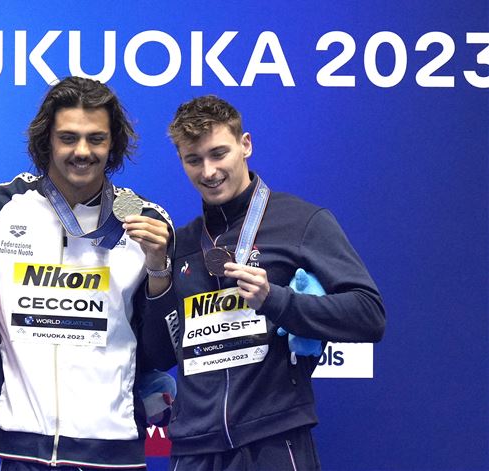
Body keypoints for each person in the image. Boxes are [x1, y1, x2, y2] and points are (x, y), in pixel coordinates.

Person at [142, 95, 386, 471]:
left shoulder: (301, 222)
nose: (208, 171)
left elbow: (369, 315)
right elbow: (159, 355)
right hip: (194, 447)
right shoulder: (183, 242)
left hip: (272, 440)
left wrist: (276, 299)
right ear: (181, 162)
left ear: (246, 145)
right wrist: (158, 272)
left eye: (218, 153)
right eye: (194, 160)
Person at [0, 76, 173, 470]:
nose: (83, 151)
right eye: (68, 138)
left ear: (113, 144)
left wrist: (159, 269)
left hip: (111, 447)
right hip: (20, 444)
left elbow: (161, 352)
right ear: (47, 141)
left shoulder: (146, 221)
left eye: (96, 139)